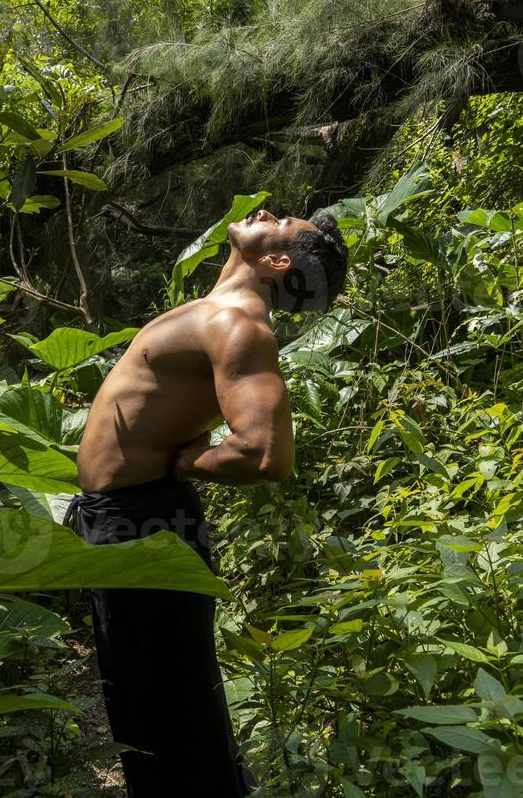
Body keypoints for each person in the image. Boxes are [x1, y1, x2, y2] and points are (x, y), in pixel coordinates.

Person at [63, 206, 348, 797]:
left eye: (285, 222)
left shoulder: (239, 327)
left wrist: (185, 461)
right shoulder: (215, 311)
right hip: (124, 517)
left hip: (145, 523)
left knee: (168, 702)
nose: (268, 210)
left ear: (276, 261)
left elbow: (266, 454)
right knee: (141, 695)